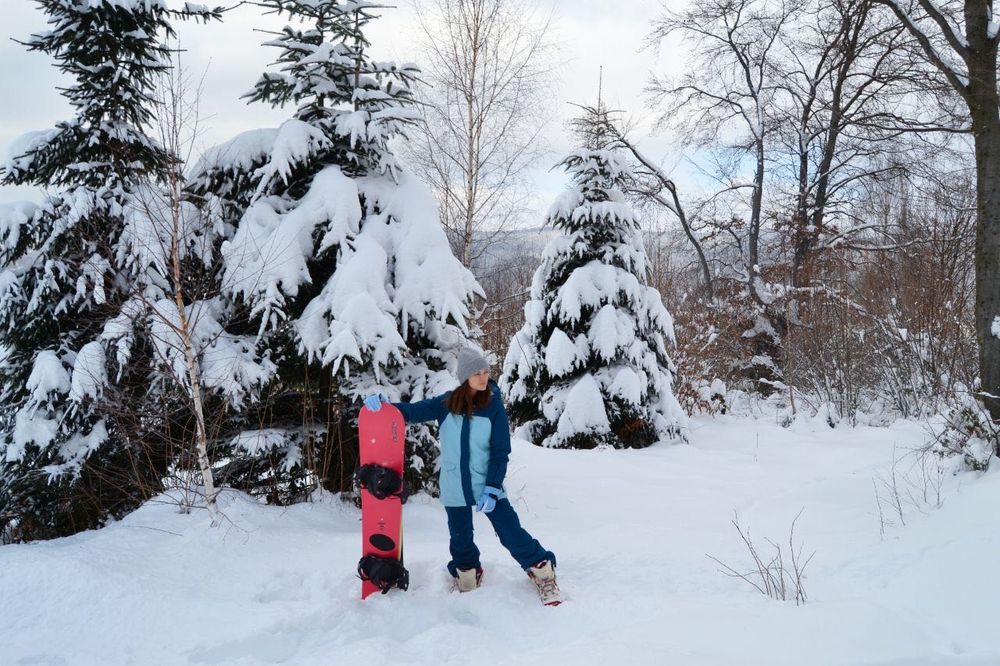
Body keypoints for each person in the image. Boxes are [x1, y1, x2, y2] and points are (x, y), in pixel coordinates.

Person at [364, 348, 562, 605]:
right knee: (460, 536)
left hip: (486, 484)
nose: (483, 378)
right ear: (465, 376)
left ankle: (542, 570)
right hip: (454, 484)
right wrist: (384, 407)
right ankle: (467, 571)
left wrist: (492, 487)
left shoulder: (494, 408)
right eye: (477, 373)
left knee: (510, 532)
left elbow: (501, 451)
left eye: (486, 372)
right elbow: (411, 412)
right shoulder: (446, 404)